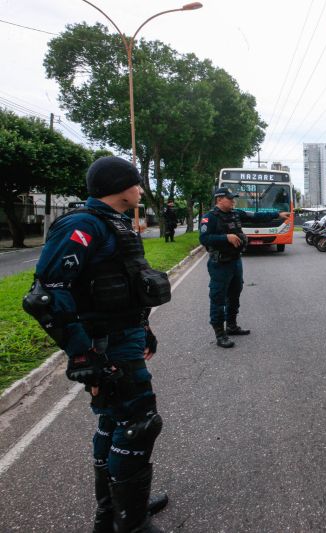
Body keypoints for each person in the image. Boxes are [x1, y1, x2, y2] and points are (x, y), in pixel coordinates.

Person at [24, 156, 171, 532]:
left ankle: (114, 511)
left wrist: (144, 328)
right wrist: (82, 353)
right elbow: (46, 296)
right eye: (136, 182)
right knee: (139, 423)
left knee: (113, 420)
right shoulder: (82, 225)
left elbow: (126, 284)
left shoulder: (114, 223)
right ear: (121, 187)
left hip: (124, 336)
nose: (140, 188)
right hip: (104, 344)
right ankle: (131, 522)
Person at [199, 187, 289, 348]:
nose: (233, 201)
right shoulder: (210, 218)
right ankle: (220, 334)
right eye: (230, 198)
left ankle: (232, 326)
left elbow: (256, 217)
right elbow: (204, 238)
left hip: (235, 261)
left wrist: (277, 214)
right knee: (218, 298)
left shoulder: (236, 213)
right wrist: (226, 237)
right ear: (219, 199)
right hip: (219, 264)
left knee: (234, 294)